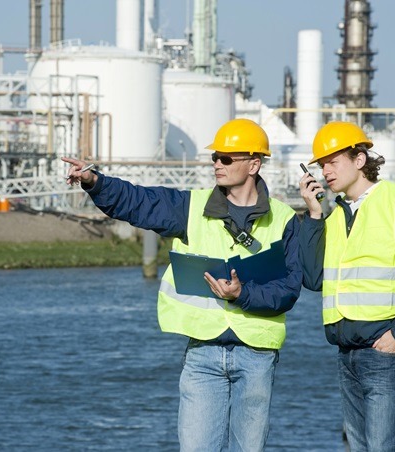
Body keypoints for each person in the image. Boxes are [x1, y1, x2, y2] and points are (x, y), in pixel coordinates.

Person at [63, 118, 302, 451]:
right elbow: (137, 202)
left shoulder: (285, 219)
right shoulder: (190, 208)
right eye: (215, 157)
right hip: (202, 355)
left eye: (227, 158)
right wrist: (95, 182)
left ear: (254, 164)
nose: (217, 164)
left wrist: (243, 294)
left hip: (257, 356)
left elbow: (289, 289)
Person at [298, 121, 395, 451]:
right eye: (321, 165)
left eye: (332, 161)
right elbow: (312, 277)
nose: (325, 171)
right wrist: (313, 214)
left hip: (386, 352)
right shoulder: (335, 217)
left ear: (358, 159)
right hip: (346, 354)